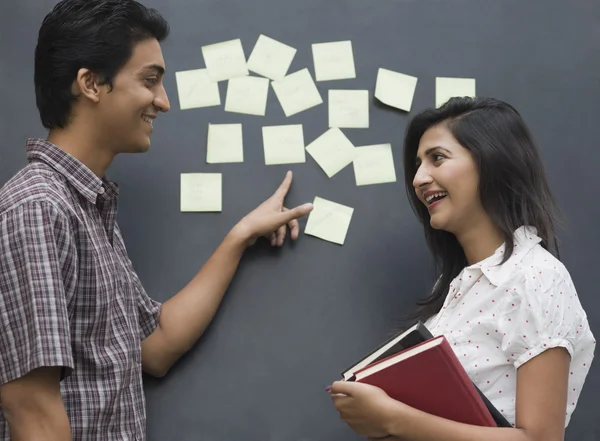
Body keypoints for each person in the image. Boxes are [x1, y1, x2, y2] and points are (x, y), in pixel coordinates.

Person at [0, 1, 313, 440]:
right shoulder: (37, 208)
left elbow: (156, 345)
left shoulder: (86, 209)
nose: (163, 103)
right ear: (91, 83)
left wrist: (240, 236)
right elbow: (31, 410)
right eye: (150, 81)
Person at [328, 97, 595, 441]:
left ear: (492, 161)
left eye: (437, 158)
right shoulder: (459, 286)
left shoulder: (535, 277)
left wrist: (394, 419)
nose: (418, 179)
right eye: (418, 164)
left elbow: (541, 439)